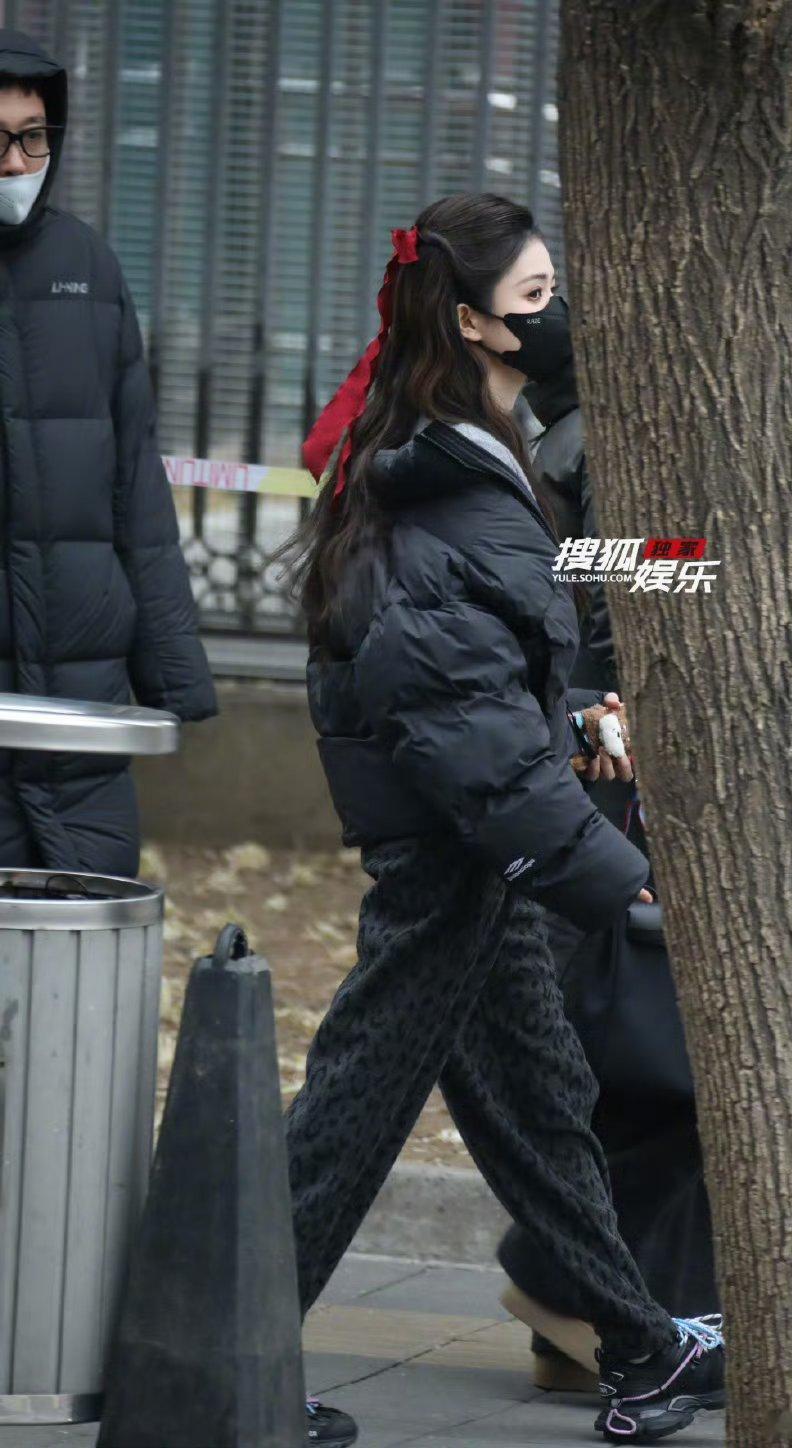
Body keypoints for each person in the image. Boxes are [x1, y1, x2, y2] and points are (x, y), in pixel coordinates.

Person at [283, 193, 724, 1447]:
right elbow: (468, 687)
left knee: (539, 1102)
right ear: (471, 320)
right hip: (471, 840)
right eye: (535, 295)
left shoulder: (478, 442)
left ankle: (638, 1344)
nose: (558, 310)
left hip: (490, 837)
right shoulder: (446, 463)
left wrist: (676, 573)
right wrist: (613, 869)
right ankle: (214, 1345)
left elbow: (517, 608)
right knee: (352, 1111)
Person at [495, 328, 721, 1388]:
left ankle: (572, 1318)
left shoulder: (557, 437)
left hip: (584, 768)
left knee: (616, 1053)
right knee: (654, 1057)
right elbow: (653, 590)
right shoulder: (609, 440)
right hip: (611, 774)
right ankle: (570, 1296)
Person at [0, 29, 216, 878]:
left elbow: (135, 482)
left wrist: (174, 673)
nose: (16, 163)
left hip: (80, 704)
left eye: (33, 137)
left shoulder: (87, 264)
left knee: (81, 920)